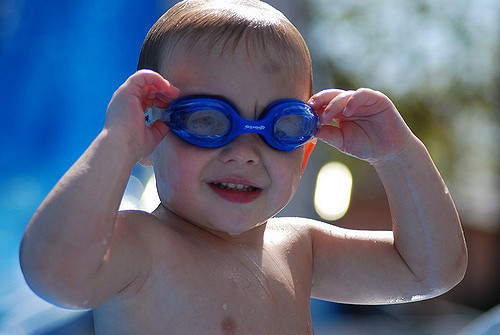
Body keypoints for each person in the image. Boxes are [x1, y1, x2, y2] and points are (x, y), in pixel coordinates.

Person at [19, 0, 467, 333]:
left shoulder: (299, 250)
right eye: (209, 121)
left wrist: (399, 154)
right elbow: (54, 273)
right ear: (150, 135)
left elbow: (428, 272)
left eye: (280, 127)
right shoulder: (142, 248)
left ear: (304, 152)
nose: (245, 151)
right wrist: (116, 141)